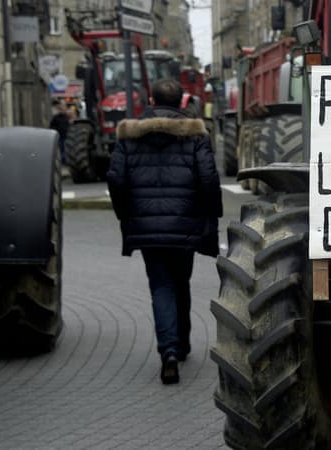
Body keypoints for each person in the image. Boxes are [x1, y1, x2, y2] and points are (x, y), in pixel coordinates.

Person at [106, 79, 223, 384]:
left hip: (146, 224)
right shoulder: (196, 135)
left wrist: (126, 214)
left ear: (152, 101)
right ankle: (181, 344)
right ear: (182, 103)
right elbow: (209, 179)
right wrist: (210, 215)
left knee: (160, 285)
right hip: (185, 222)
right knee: (181, 282)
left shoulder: (129, 135)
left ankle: (169, 350)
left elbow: (115, 180)